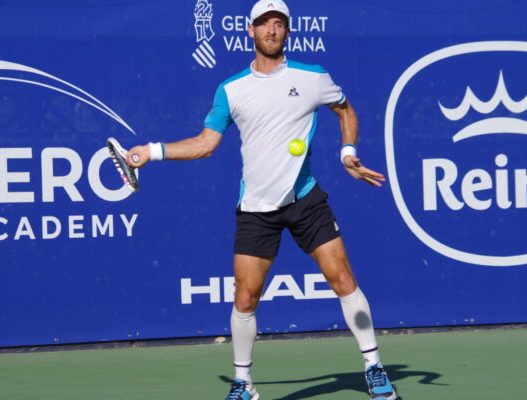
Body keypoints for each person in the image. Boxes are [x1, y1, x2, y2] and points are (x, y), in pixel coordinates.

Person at [125, 1, 396, 399]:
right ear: (250, 31)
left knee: (343, 279)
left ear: (287, 32)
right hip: (255, 208)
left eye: (279, 24)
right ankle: (243, 383)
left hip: (305, 201)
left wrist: (347, 152)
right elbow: (205, 144)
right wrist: (150, 151)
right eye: (264, 24)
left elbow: (345, 110)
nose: (272, 30)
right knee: (245, 296)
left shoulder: (313, 77)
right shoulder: (231, 89)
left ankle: (374, 367)